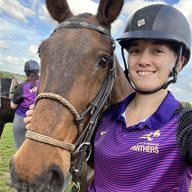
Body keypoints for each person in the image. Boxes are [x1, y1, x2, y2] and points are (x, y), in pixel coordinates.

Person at [24, 4, 192, 192]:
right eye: (135, 50)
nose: (144, 60)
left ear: (180, 61)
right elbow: (90, 164)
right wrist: (45, 125)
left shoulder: (185, 125)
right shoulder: (106, 118)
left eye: (157, 51)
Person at [10, 59, 40, 150]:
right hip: (38, 119)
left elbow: (13, 106)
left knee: (20, 149)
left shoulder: (22, 86)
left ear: (26, 73)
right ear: (38, 71)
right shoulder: (43, 83)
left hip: (22, 119)